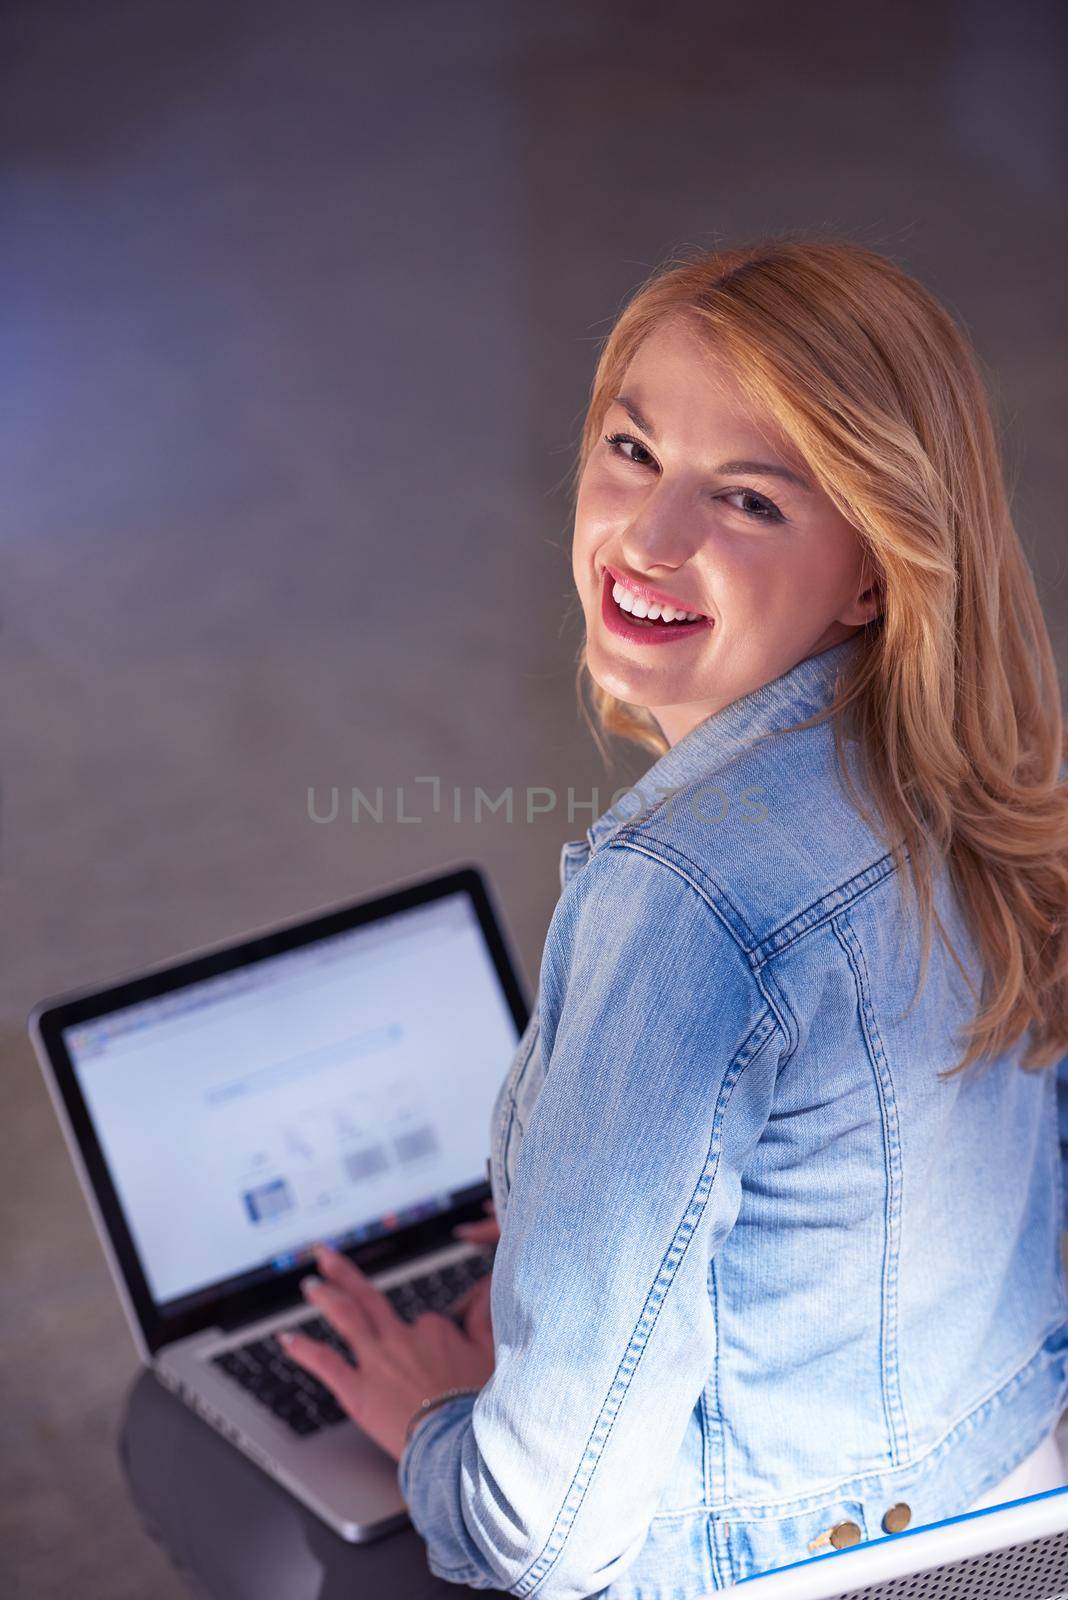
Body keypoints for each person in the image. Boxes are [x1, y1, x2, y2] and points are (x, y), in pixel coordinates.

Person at [272, 240, 1068, 1595]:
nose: (648, 538)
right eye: (634, 452)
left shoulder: (686, 896)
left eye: (748, 500)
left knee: (224, 1486)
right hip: (1007, 1514)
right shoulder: (977, 782)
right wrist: (573, 1219)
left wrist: (434, 1420)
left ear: (875, 567)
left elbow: (548, 1529)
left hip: (757, 1567)